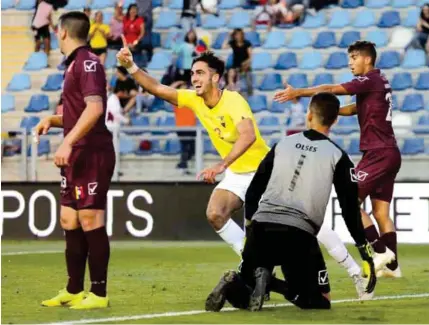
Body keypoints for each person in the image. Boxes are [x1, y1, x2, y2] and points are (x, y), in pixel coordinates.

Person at [205, 93, 376, 312]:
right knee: (320, 302)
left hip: (261, 228)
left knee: (244, 296)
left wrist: (250, 231)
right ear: (335, 120)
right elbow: (350, 210)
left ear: (309, 115)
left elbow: (253, 192)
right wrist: (365, 253)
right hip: (300, 235)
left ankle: (235, 283)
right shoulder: (339, 157)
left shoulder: (282, 144)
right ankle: (273, 283)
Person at [117, 40, 270, 257]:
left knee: (267, 231)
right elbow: (157, 89)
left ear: (215, 78)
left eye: (200, 73)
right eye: (192, 73)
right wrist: (131, 66)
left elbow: (248, 136)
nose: (194, 78)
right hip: (237, 172)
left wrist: (221, 165)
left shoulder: (233, 100)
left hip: (263, 171)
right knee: (215, 214)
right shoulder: (194, 99)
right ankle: (251, 261)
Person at [273, 40, 401, 277]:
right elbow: (353, 109)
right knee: (381, 212)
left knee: (351, 200)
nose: (350, 63)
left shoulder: (369, 80)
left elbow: (332, 90)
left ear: (367, 59)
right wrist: (331, 110)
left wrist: (299, 92)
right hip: (389, 152)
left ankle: (381, 252)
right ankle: (393, 267)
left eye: (354, 58)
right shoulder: (379, 81)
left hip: (378, 153)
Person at [33, 11, 114, 309]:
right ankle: (73, 289)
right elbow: (78, 111)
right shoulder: (72, 66)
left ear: (63, 32)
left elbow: (95, 109)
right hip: (77, 153)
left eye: (56, 31)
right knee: (69, 218)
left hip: (92, 151)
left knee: (90, 218)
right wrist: (52, 120)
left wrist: (67, 141)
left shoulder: (88, 62)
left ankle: (99, 293)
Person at [223, 28, 252, 95]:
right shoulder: (233, 43)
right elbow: (223, 46)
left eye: (239, 34)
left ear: (242, 35)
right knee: (231, 71)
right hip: (235, 64)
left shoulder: (247, 43)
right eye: (236, 35)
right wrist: (228, 36)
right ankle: (232, 86)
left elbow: (250, 57)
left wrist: (245, 62)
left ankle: (247, 89)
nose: (238, 36)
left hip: (245, 64)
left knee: (243, 69)